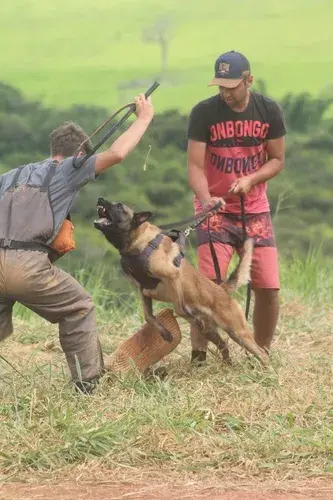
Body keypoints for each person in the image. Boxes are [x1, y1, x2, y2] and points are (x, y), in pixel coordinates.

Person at [0, 93, 154, 392]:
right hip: (27, 266)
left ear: (52, 147)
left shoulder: (10, 176)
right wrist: (144, 118)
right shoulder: (68, 169)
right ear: (79, 153)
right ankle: (88, 386)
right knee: (79, 307)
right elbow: (118, 153)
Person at [186, 50, 286, 363]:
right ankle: (200, 355)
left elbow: (277, 160)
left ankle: (262, 352)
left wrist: (251, 179)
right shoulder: (204, 113)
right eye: (220, 86)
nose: (226, 92)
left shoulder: (268, 110)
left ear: (248, 80)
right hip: (213, 209)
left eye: (232, 86)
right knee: (208, 289)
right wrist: (206, 200)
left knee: (268, 286)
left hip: (254, 209)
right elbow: (194, 166)